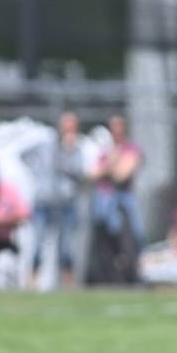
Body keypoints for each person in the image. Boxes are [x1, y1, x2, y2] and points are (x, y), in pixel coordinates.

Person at [24, 111, 85, 289]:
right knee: (38, 243)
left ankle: (69, 283)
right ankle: (32, 281)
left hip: (66, 203)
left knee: (67, 246)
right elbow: (26, 156)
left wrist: (68, 151)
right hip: (44, 201)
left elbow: (77, 172)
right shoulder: (45, 145)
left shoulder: (76, 149)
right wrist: (38, 177)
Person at [87, 114, 144, 285]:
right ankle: (107, 278)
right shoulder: (105, 151)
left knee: (130, 239)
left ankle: (132, 277)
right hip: (104, 201)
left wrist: (109, 167)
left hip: (124, 202)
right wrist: (112, 163)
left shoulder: (131, 148)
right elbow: (93, 174)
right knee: (105, 240)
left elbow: (121, 175)